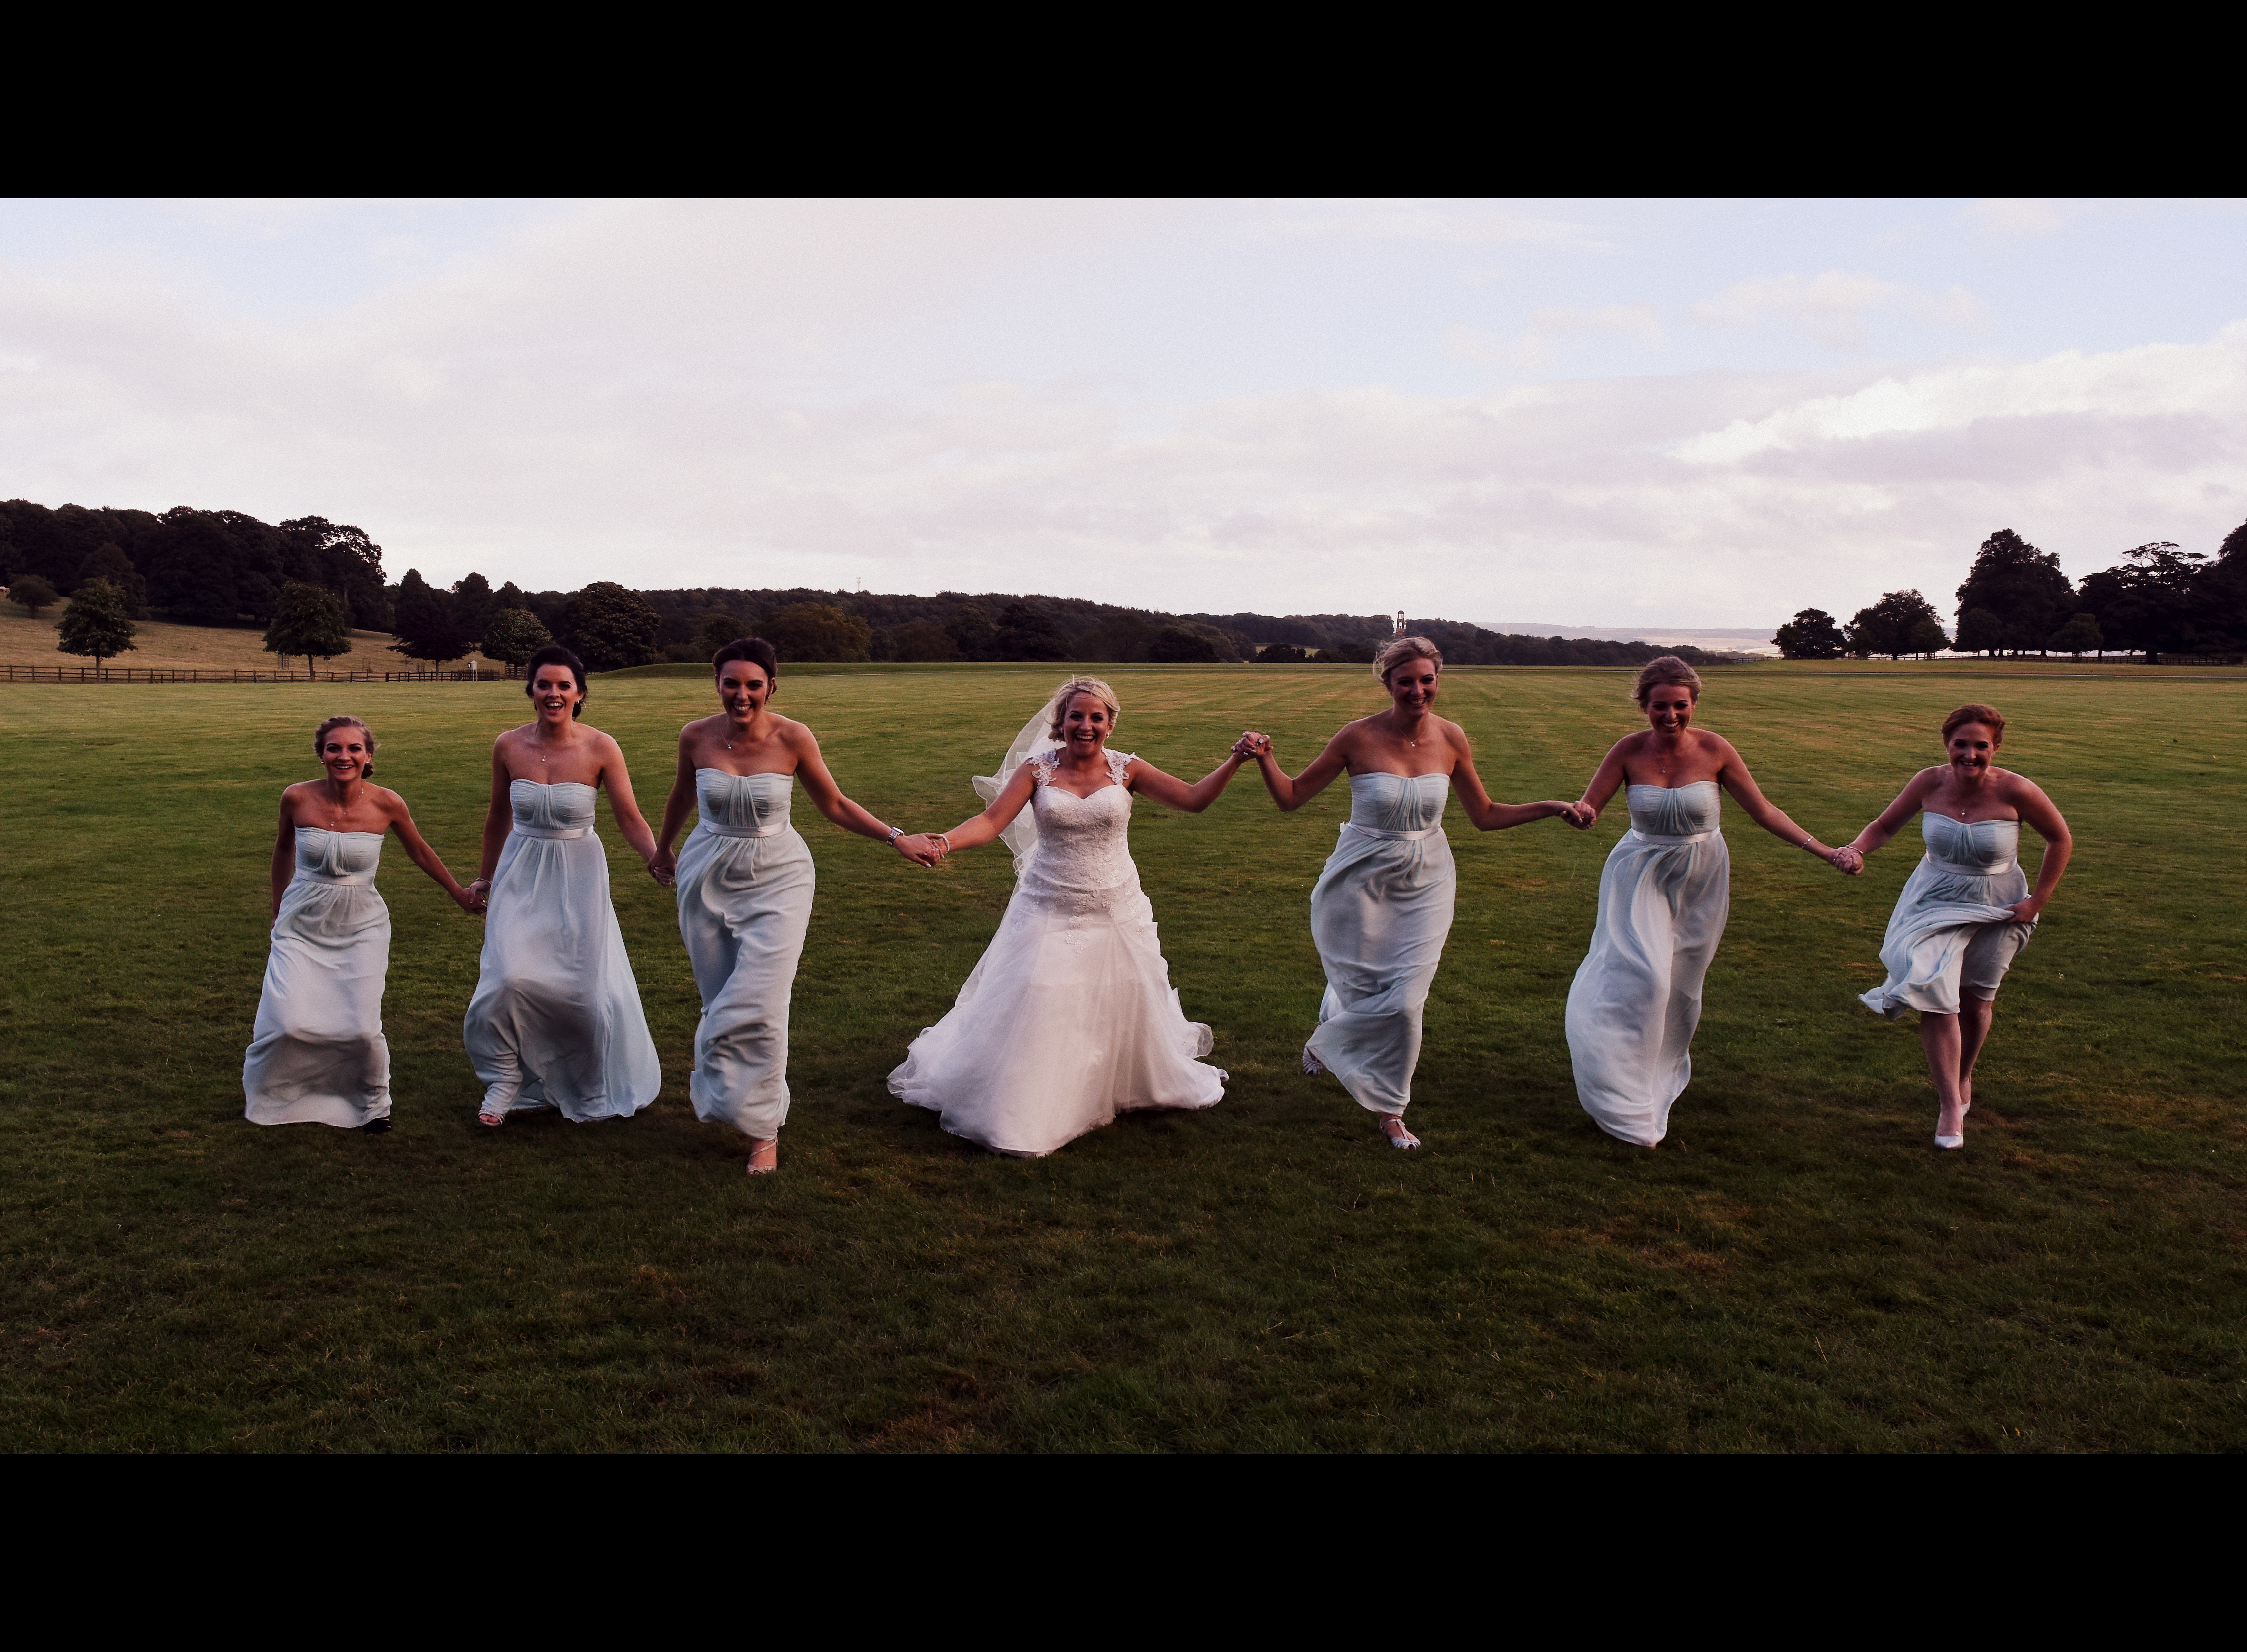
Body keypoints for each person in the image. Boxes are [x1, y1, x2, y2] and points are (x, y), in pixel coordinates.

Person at [1233, 636, 1587, 1149]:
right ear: (1387, 682)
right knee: (1361, 984)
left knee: (1405, 1000)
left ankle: (1391, 1110)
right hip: (1360, 876)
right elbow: (1291, 797)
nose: (1418, 690)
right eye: (1407, 681)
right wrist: (1265, 757)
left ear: (1438, 679)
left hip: (1427, 878)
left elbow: (1484, 816)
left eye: (1427, 679)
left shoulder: (1452, 737)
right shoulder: (1357, 736)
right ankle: (1333, 1024)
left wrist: (1551, 806)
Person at [888, 676, 1244, 1156]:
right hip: (1049, 903)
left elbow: (1193, 799)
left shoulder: (1128, 769)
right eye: (1076, 716)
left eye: (1097, 717)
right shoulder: (1037, 770)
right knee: (1042, 994)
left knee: (1125, 995)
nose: (1086, 725)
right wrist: (947, 840)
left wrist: (1238, 759)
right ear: (1060, 723)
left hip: (1117, 904)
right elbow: (993, 822)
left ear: (1111, 723)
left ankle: (1117, 1085)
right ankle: (1032, 1103)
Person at [652, 638, 944, 1175]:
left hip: (779, 874)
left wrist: (895, 836)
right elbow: (680, 796)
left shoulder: (793, 737)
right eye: (731, 684)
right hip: (705, 871)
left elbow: (833, 803)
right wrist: (663, 847)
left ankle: (763, 1129)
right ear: (717, 684)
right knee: (718, 996)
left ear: (772, 686)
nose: (742, 695)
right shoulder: (695, 736)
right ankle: (731, 1093)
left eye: (753, 685)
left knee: (760, 1001)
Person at [1564, 656, 1857, 1147]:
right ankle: (1621, 1090)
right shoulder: (1628, 750)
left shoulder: (1716, 749)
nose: (1671, 715)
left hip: (1702, 877)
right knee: (1647, 978)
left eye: (1681, 705)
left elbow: (1764, 810)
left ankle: (1659, 1073)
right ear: (1644, 706)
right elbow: (1591, 806)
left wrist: (1826, 852)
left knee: (1681, 987)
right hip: (1640, 874)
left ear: (1694, 703)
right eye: (1661, 706)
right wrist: (1582, 813)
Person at [1843, 702, 2071, 1149]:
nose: (1969, 754)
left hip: (1998, 904)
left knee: (1976, 1000)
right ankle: (1950, 1104)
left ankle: (1964, 1075)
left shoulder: (2017, 790)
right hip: (1932, 900)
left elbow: (2059, 838)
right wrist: (1858, 849)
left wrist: (2037, 900)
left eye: (1980, 746)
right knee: (1934, 993)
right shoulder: (1929, 781)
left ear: (1997, 747)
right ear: (1947, 745)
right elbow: (1886, 824)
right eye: (1960, 745)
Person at [463, 644, 667, 1126]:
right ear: (531, 690)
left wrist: (658, 857)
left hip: (579, 874)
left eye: (564, 685)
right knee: (506, 977)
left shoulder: (601, 747)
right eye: (544, 684)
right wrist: (484, 876)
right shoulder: (508, 745)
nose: (553, 693)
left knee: (586, 992)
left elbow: (629, 817)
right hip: (519, 871)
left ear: (580, 693)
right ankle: (506, 1076)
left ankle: (590, 1084)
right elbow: (498, 817)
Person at [245, 715, 479, 1130]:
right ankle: (283, 1094)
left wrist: (459, 893)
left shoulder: (387, 803)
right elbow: (282, 851)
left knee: (361, 1028)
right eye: (334, 747)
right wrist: (277, 906)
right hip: (301, 922)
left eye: (354, 748)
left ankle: (374, 1104)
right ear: (321, 753)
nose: (344, 756)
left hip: (361, 926)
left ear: (368, 756)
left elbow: (420, 851)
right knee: (287, 1021)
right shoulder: (296, 798)